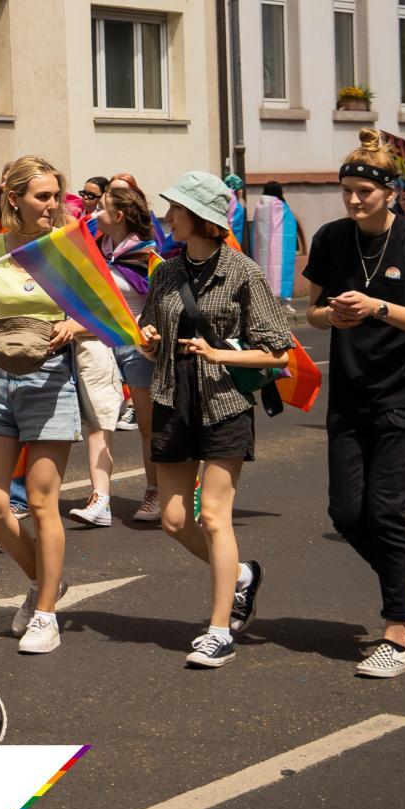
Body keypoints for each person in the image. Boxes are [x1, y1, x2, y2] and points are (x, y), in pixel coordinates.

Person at [305, 130, 405, 679]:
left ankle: (395, 633)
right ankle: (402, 576)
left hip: (403, 394)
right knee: (346, 512)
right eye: (347, 190)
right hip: (349, 393)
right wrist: (333, 316)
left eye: (364, 191)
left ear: (390, 192)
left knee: (386, 512)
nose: (353, 200)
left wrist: (377, 307)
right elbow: (312, 311)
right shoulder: (332, 238)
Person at [136, 172, 292, 668]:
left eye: (175, 210)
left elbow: (279, 353)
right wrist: (148, 337)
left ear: (200, 217)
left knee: (213, 516)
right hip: (172, 396)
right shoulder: (165, 271)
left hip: (224, 400)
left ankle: (219, 629)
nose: (167, 217)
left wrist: (220, 354)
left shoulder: (243, 272)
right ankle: (241, 575)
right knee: (174, 519)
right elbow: (152, 324)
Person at [0, 155, 90, 655]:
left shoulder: (66, 247)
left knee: (41, 501)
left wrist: (75, 325)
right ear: (13, 199)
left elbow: (99, 311)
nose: (53, 205)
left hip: (51, 379)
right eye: (43, 196)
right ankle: (46, 579)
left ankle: (45, 613)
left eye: (57, 195)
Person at [74, 174, 156, 525]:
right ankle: (100, 500)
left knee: (148, 426)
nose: (94, 211)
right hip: (100, 343)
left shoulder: (144, 253)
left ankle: (155, 492)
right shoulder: (96, 245)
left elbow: (154, 299)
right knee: (98, 423)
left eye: (102, 207)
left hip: (137, 348)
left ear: (119, 216)